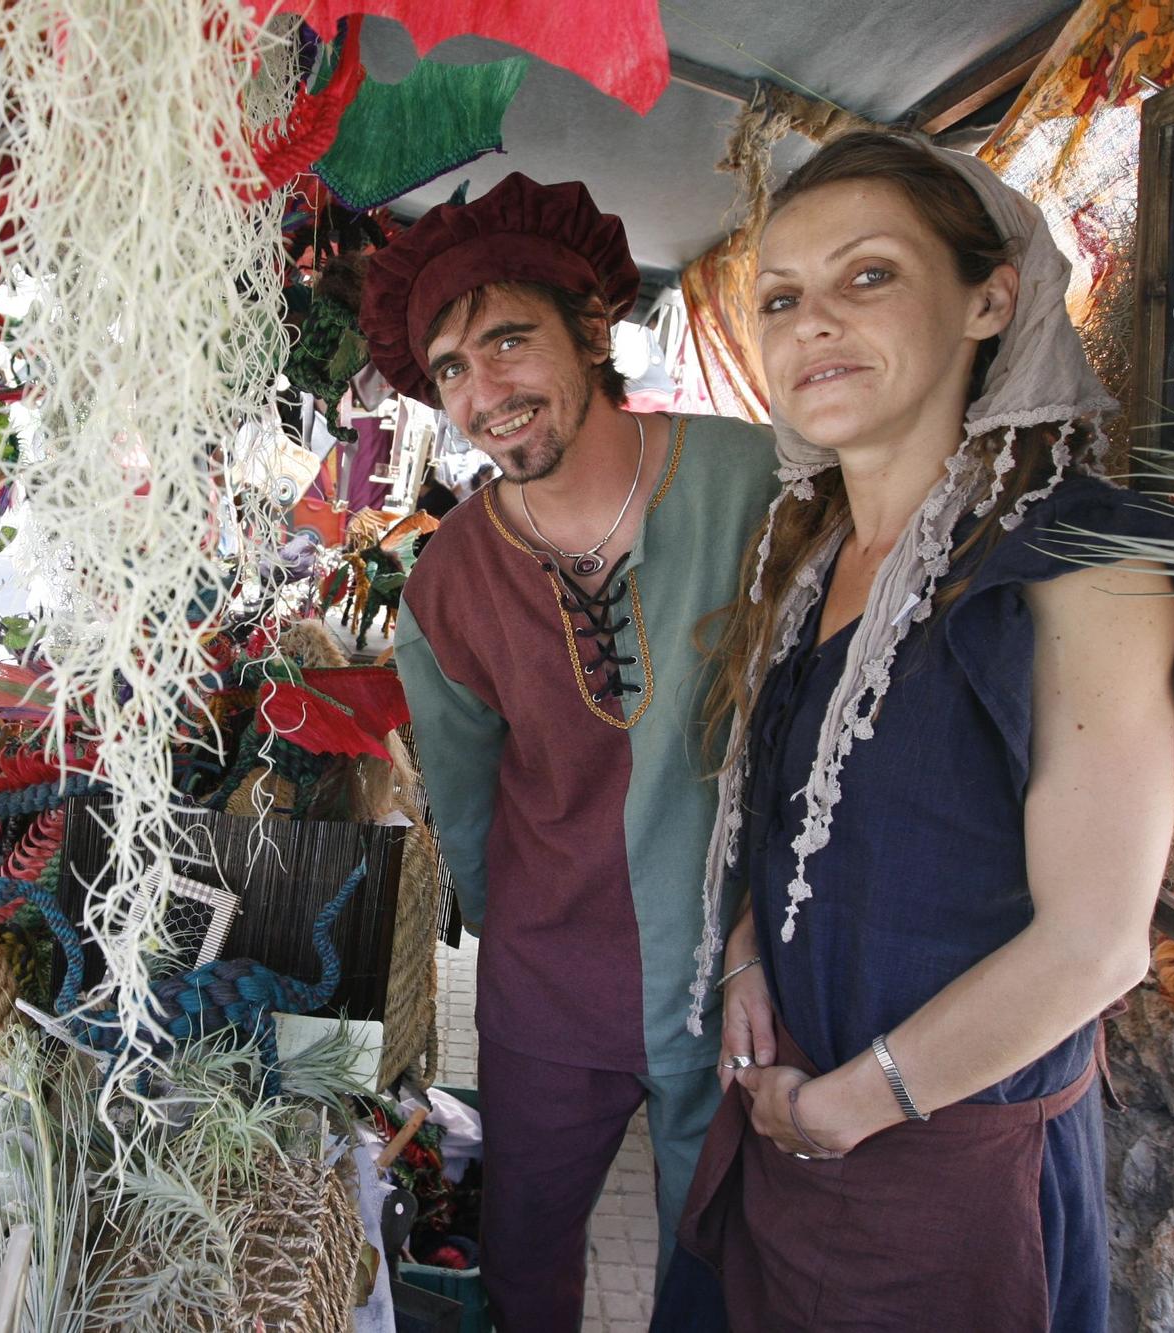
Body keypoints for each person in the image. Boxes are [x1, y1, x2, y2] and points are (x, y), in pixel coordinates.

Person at [677, 132, 1174, 1331]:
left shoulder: (1078, 566)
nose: (811, 325)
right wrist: (747, 948)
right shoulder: (805, 562)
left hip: (944, 1178)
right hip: (788, 1135)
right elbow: (800, 817)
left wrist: (856, 1104)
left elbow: (1094, 945)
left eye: (867, 276)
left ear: (989, 298)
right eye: (782, 298)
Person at [366, 172, 779, 1328]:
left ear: (592, 330)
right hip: (551, 990)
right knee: (524, 1255)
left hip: (738, 977)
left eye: (507, 341)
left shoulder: (756, 483)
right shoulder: (447, 580)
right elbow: (461, 799)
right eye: (450, 368)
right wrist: (528, 948)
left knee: (716, 1262)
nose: (483, 392)